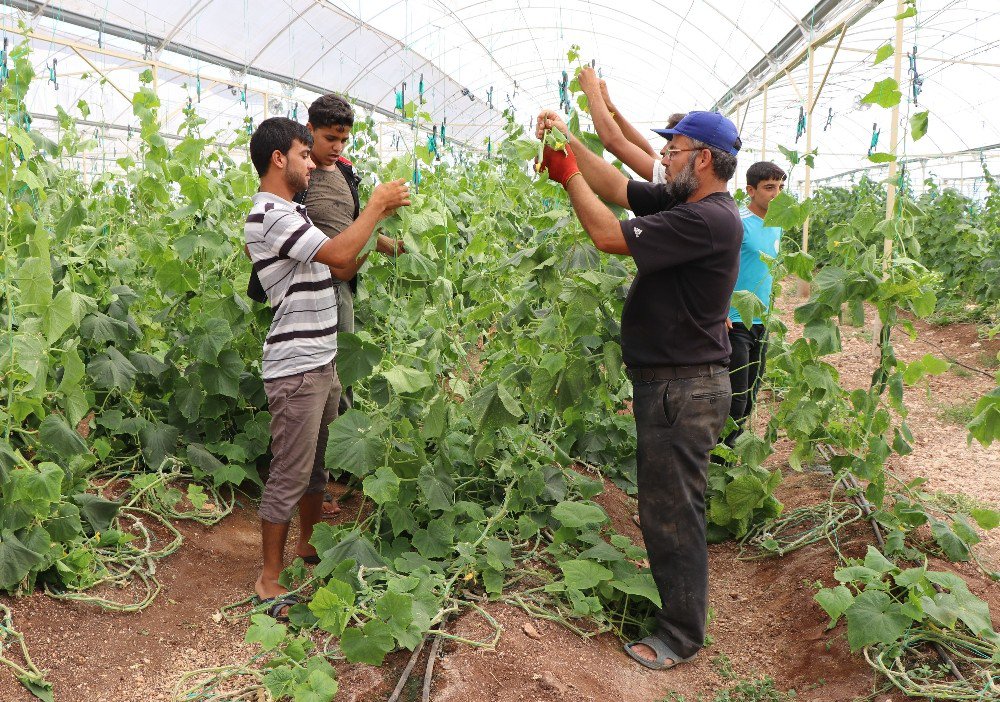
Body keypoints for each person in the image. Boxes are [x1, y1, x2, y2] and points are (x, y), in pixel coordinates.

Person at [536, 109, 742, 671]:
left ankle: (679, 635)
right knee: (668, 505)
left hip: (684, 388)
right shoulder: (690, 205)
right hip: (675, 384)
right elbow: (619, 187)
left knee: (673, 512)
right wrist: (567, 143)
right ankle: (679, 620)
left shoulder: (708, 220)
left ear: (702, 158)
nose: (664, 157)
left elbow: (606, 234)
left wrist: (565, 174)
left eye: (674, 149)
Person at [245, 117, 409, 618]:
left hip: (322, 359)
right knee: (290, 474)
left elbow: (340, 265)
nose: (312, 162)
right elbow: (338, 249)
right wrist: (375, 205)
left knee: (316, 471)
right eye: (303, 154)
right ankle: (268, 579)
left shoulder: (294, 212)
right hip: (294, 368)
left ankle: (307, 547)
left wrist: (376, 233)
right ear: (279, 158)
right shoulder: (268, 214)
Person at [301, 93, 404, 516]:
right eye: (329, 138)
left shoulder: (343, 171)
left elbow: (350, 228)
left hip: (339, 289)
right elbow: (337, 250)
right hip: (316, 291)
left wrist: (385, 244)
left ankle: (338, 468)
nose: (337, 147)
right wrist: (372, 235)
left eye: (343, 139)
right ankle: (316, 487)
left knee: (338, 379)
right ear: (309, 129)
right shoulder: (304, 178)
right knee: (324, 386)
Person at [725, 162, 786, 449]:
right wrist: (719, 309)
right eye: (769, 187)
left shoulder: (777, 224)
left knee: (750, 394)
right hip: (735, 321)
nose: (776, 193)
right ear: (751, 190)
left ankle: (728, 459)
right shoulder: (737, 222)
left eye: (781, 187)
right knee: (735, 399)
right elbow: (717, 266)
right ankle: (718, 461)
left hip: (761, 322)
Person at [575, 65, 684, 184]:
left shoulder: (679, 181)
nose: (662, 151)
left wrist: (592, 91)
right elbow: (648, 152)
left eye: (672, 148)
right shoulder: (674, 172)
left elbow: (614, 142)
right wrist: (608, 105)